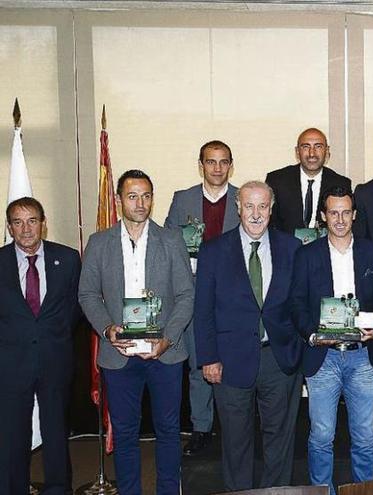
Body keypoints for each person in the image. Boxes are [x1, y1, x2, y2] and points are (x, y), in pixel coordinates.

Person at [79, 169, 194, 495]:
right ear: (118, 200)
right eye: (132, 196)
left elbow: (186, 295)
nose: (140, 203)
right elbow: (87, 294)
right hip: (119, 356)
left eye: (146, 196)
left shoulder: (171, 240)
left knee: (169, 431)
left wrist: (168, 339)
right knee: (127, 434)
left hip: (165, 354)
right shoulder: (99, 243)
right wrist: (106, 328)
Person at [193, 181, 303, 490]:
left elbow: (300, 304)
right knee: (236, 443)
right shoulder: (213, 250)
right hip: (229, 361)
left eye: (263, 206)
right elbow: (203, 310)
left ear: (271, 208)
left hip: (279, 359)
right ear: (238, 208)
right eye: (249, 206)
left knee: (279, 442)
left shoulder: (291, 248)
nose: (256, 214)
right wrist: (209, 358)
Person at [291, 186, 373, 495]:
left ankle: (363, 491)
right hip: (324, 358)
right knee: (321, 436)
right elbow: (296, 302)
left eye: (345, 212)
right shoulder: (306, 254)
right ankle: (323, 491)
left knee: (365, 436)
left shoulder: (372, 252)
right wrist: (312, 334)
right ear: (323, 217)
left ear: (354, 215)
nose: (339, 219)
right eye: (333, 213)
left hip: (363, 355)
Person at [0, 197, 81, 495]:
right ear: (9, 227)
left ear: (43, 223)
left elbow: (74, 309)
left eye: (32, 220)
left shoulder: (69, 259)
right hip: (10, 364)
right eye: (18, 222)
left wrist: (52, 336)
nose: (26, 229)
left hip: (54, 359)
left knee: (56, 433)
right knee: (12, 437)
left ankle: (58, 489)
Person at [164, 139, 240, 456]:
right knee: (198, 365)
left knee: (232, 365)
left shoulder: (243, 199)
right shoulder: (182, 200)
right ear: (201, 165)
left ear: (230, 165)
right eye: (211, 162)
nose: (217, 168)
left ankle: (232, 429)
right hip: (194, 294)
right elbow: (169, 243)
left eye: (223, 162)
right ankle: (201, 428)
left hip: (234, 297)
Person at [266, 127, 352, 234]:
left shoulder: (341, 183)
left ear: (327, 151)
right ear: (297, 152)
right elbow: (269, 224)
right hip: (286, 248)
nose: (312, 153)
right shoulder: (276, 181)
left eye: (318, 147)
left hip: (323, 248)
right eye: (306, 147)